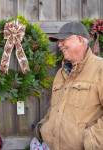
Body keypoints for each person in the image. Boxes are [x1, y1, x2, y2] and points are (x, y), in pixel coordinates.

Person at [36, 21, 103, 150]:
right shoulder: (60, 73)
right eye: (58, 41)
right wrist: (43, 127)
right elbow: (55, 108)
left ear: (80, 39)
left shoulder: (100, 69)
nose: (59, 44)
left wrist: (92, 141)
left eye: (63, 40)